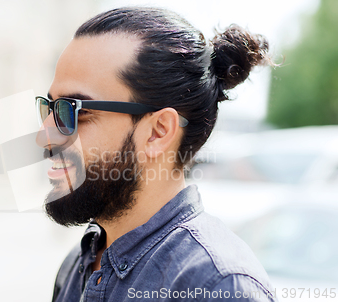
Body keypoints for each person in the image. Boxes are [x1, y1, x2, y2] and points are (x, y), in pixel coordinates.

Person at [35, 7, 277, 302]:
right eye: (50, 108)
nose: (44, 136)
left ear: (158, 132)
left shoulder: (218, 287)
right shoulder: (79, 263)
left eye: (72, 111)